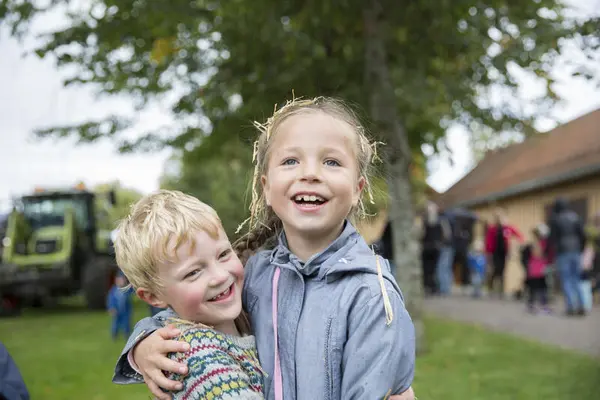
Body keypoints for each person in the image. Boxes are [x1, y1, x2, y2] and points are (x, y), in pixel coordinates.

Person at [112, 97, 416, 400]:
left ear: (357, 190)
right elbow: (186, 316)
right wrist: (143, 346)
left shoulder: (371, 296)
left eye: (332, 162)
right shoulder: (256, 274)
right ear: (266, 187)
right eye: (291, 161)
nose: (310, 173)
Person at [114, 190, 264, 399]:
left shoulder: (238, 316)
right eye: (193, 272)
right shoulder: (199, 359)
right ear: (153, 297)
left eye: (223, 254)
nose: (220, 276)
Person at [547, 197, 586, 316]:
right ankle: (581, 305)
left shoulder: (556, 219)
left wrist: (549, 252)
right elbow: (582, 235)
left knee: (566, 279)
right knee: (576, 279)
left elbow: (552, 238)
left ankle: (571, 307)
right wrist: (581, 249)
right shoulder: (575, 217)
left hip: (563, 252)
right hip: (576, 251)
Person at [485, 207, 524, 297]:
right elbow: (488, 241)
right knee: (495, 270)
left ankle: (501, 291)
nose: (499, 219)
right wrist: (488, 253)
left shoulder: (507, 228)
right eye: (497, 217)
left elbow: (519, 235)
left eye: (500, 217)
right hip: (494, 253)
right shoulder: (492, 229)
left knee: (502, 271)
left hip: (504, 253)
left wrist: (518, 244)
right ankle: (491, 289)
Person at [521, 224, 551, 314]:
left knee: (541, 288)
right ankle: (534, 305)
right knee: (536, 288)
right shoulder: (535, 245)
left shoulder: (542, 244)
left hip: (539, 270)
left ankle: (540, 305)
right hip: (536, 270)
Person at [107, 271, 134, 341]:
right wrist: (111, 307)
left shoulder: (126, 289)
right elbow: (110, 299)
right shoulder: (113, 290)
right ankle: (114, 335)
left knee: (126, 323)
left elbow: (133, 290)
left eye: (122, 280)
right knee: (115, 324)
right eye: (118, 280)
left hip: (126, 311)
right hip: (116, 311)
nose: (120, 282)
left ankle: (127, 335)